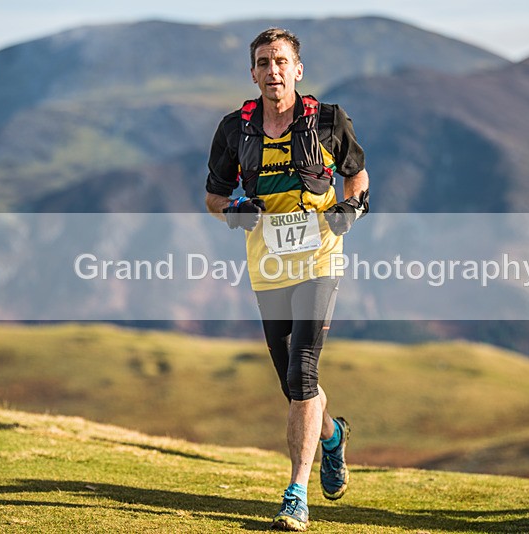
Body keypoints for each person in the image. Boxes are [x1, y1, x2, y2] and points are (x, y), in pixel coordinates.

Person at [205, 28, 369, 531]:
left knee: (302, 371)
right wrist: (234, 210)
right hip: (269, 266)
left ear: (298, 69)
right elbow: (213, 197)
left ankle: (296, 495)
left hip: (320, 260)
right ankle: (333, 437)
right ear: (252, 73)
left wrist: (351, 208)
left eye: (280, 61)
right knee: (294, 385)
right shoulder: (234, 130)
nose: (272, 70)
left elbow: (357, 174)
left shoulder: (328, 120)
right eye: (263, 62)